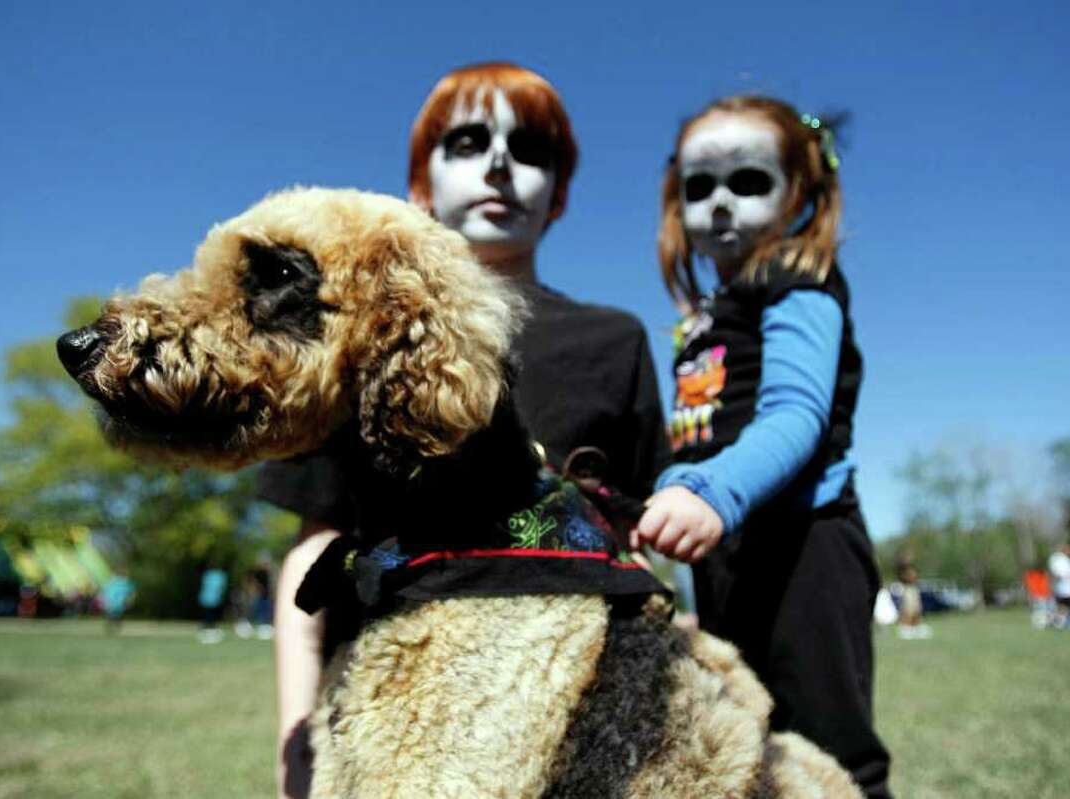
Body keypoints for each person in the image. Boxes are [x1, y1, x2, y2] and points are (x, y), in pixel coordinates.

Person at [261, 61, 669, 798]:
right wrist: (294, 731)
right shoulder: (348, 331)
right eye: (469, 141)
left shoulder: (616, 341)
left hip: (568, 721)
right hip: (385, 714)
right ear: (423, 182)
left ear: (562, 193)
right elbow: (314, 544)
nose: (500, 163)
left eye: (531, 148)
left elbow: (631, 539)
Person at [631, 95, 891, 797]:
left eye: (748, 182)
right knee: (752, 749)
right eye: (700, 185)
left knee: (831, 754)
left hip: (805, 548)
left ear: (798, 194)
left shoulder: (800, 285)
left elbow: (794, 415)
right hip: (731, 559)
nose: (720, 203)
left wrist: (712, 491)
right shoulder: (706, 317)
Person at [1048, 542, 1070, 628]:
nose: (1069, 551)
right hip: (1063, 587)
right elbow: (1057, 573)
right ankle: (1058, 622)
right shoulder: (1057, 559)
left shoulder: (1067, 560)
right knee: (1063, 606)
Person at [196, 565, 228, 644]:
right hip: (212, 599)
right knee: (210, 616)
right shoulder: (219, 575)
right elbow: (222, 587)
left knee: (209, 616)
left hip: (208, 599)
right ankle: (209, 629)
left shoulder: (208, 574)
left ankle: (209, 629)